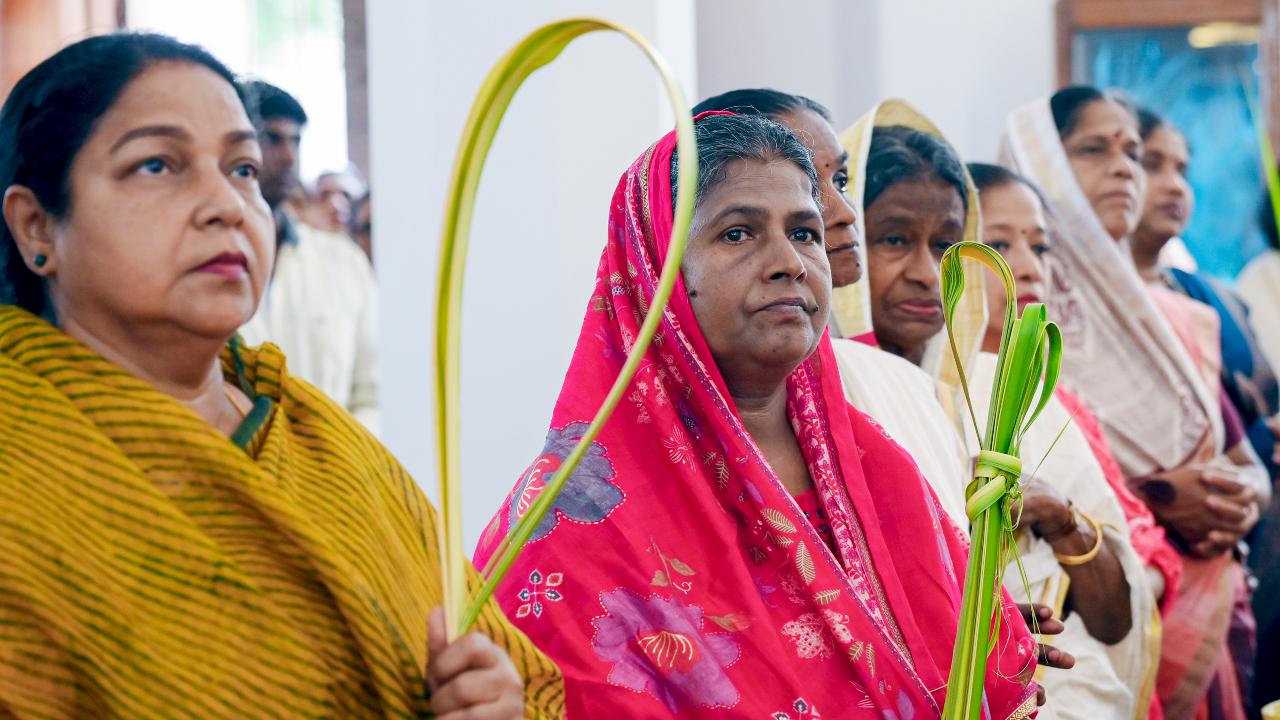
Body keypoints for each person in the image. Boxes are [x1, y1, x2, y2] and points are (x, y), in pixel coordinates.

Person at [0, 32, 561, 718]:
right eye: (157, 165)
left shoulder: (324, 444)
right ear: (36, 226)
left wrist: (496, 700)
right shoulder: (21, 481)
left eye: (242, 168)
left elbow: (507, 668)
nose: (227, 204)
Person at [475, 112, 1041, 718]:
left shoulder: (878, 471)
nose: (789, 262)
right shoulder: (575, 523)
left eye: (804, 233)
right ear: (655, 269)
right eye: (738, 234)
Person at [1002, 85, 1269, 720]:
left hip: (1207, 600)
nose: (1124, 168)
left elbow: (1242, 458)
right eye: (1095, 149)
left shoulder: (1169, 316)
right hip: (1082, 624)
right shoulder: (1009, 314)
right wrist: (1161, 496)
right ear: (1044, 162)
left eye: (1131, 152)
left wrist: (1240, 501)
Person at [970, 161, 1170, 720]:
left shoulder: (1049, 401)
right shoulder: (894, 392)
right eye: (998, 245)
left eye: (1040, 246)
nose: (1029, 267)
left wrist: (1062, 519)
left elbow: (1116, 609)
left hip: (1082, 675)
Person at [1131, 108, 1279, 478]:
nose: (1175, 186)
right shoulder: (1089, 304)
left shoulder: (1202, 292)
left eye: (1182, 170)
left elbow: (1249, 408)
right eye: (1152, 164)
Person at [237, 81, 379, 433]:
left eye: (296, 141)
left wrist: (341, 456)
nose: (288, 157)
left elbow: (371, 393)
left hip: (339, 458)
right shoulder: (202, 262)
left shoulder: (343, 261)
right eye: (271, 139)